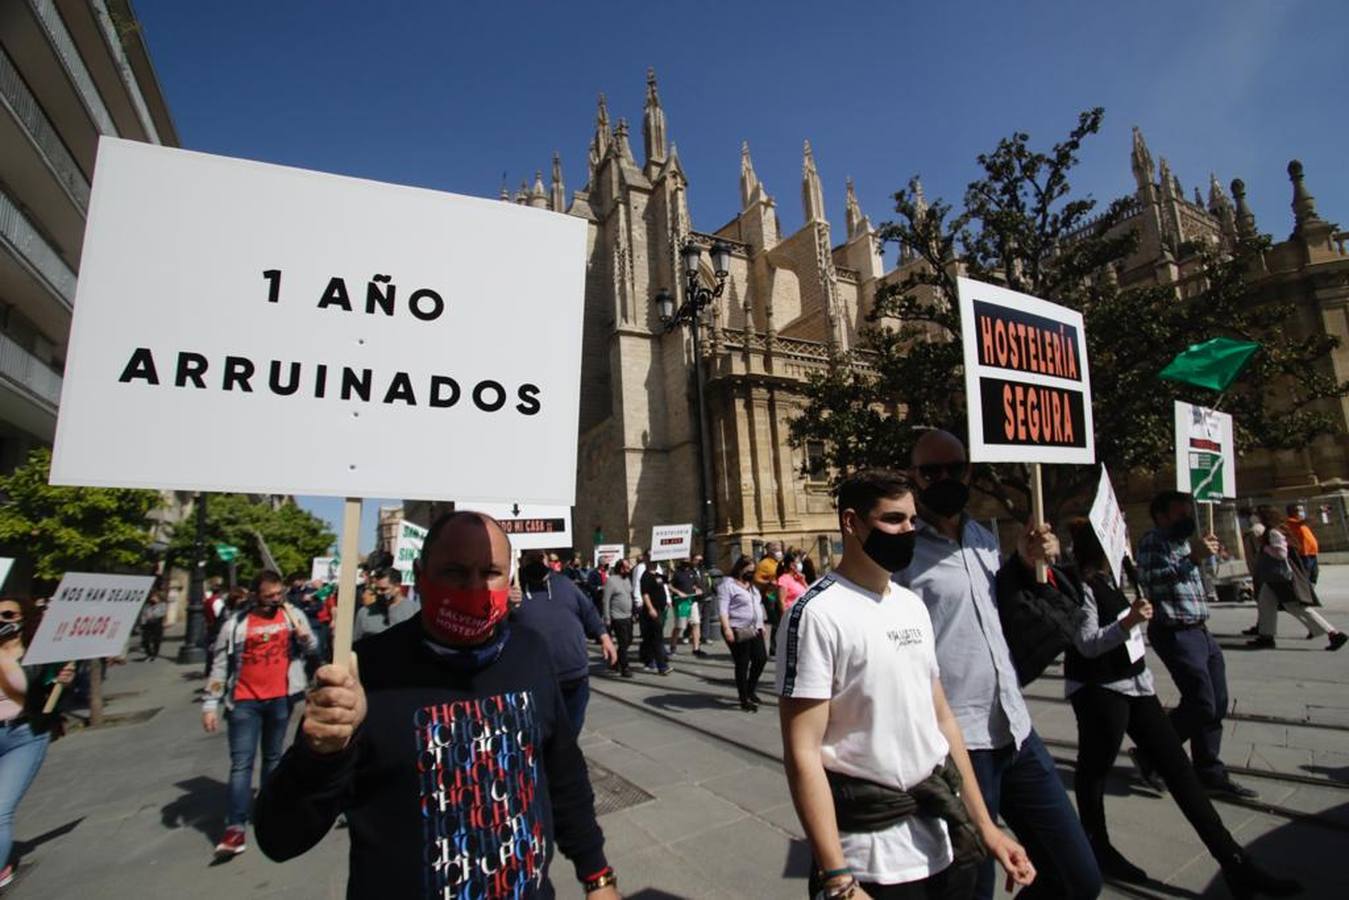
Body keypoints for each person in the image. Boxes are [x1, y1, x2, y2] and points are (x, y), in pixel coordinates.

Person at [254, 511, 618, 899]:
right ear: (421, 574)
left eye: (490, 572)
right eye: (455, 572)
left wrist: (597, 876)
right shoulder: (365, 673)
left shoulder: (529, 652)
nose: (474, 587)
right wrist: (321, 754)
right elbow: (280, 838)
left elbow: (564, 773)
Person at [779, 470, 1035, 899]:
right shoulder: (815, 615)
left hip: (940, 840)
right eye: (894, 519)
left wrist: (987, 828)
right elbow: (802, 752)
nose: (909, 531)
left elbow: (942, 720)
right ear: (851, 523)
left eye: (912, 520)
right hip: (870, 858)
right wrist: (837, 877)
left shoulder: (913, 606)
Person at [895, 430, 1101, 900]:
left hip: (1015, 729)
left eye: (955, 468)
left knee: (1077, 878)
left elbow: (998, 609)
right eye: (931, 471)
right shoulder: (902, 551)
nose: (944, 477)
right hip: (956, 745)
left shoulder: (982, 535)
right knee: (968, 889)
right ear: (914, 477)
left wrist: (1029, 564)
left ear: (969, 471)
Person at [1060, 520, 1301, 897]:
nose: (1125, 538)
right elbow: (1087, 644)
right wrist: (1128, 622)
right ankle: (1096, 847)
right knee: (1094, 770)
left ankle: (1235, 862)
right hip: (1099, 691)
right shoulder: (1080, 586)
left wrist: (1133, 620)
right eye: (1119, 533)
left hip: (1137, 686)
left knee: (1180, 772)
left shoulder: (1116, 578)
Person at [1135, 490, 1256, 800]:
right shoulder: (1153, 542)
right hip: (1174, 630)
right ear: (1161, 516)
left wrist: (1201, 555)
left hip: (1201, 630)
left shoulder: (1186, 543)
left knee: (1217, 701)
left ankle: (1209, 770)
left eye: (1188, 513)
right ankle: (1153, 753)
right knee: (1201, 702)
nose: (1187, 519)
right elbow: (1153, 583)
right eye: (1180, 514)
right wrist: (1192, 559)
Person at [202, 570, 319, 858]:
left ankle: (270, 812)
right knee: (241, 764)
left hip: (280, 698)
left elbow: (313, 646)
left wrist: (305, 638)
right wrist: (210, 702)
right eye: (269, 596)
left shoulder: (292, 616)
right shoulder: (236, 625)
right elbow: (219, 664)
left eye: (279, 594)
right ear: (256, 595)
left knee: (274, 758)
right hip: (243, 701)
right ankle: (236, 826)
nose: (276, 600)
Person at [0, 599, 75, 888]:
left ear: (22, 617)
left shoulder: (40, 656)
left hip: (24, 735)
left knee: (1, 808)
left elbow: (54, 696)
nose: (2, 619)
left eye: (7, 614)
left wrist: (63, 681)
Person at [514, 550, 617, 734]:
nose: (537, 562)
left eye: (541, 557)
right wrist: (504, 604)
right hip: (538, 682)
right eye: (531, 558)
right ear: (522, 561)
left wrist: (604, 636)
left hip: (575, 678)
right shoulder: (514, 590)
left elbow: (589, 611)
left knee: (571, 734)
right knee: (545, 736)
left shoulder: (564, 584)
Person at [1250, 508, 1345, 651]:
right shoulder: (1273, 531)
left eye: (1257, 515)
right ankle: (1266, 636)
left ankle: (1334, 634)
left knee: (1296, 607)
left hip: (1280, 577)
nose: (1254, 518)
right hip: (1273, 577)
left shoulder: (1273, 532)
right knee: (1265, 604)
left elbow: (1281, 554)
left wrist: (1265, 549)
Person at [717, 556, 767, 712]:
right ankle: (744, 698)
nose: (751, 574)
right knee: (742, 663)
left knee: (761, 659)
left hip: (754, 628)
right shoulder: (728, 585)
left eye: (753, 571)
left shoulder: (752, 586)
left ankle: (751, 690)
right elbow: (723, 609)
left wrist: (761, 625)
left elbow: (757, 605)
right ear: (740, 569)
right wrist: (727, 629)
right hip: (737, 629)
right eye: (749, 571)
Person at [353, 568, 419, 641]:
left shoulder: (415, 611)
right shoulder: (363, 613)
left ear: (397, 587)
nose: (378, 592)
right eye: (376, 589)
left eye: (383, 589)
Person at [602, 560, 637, 677]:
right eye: (627, 568)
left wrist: (634, 611)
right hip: (617, 617)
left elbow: (629, 596)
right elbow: (606, 600)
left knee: (629, 640)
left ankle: (615, 660)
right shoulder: (611, 581)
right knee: (623, 642)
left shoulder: (627, 579)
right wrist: (607, 618)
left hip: (628, 616)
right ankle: (625, 667)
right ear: (621, 568)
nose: (629, 570)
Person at [639, 560, 672, 675]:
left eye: (656, 562)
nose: (654, 564)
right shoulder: (646, 576)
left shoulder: (658, 576)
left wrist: (669, 566)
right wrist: (650, 608)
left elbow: (667, 582)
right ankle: (662, 666)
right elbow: (645, 594)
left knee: (651, 638)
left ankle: (648, 659)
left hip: (661, 609)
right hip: (652, 610)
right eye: (652, 562)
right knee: (657, 638)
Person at [669, 560, 705, 657]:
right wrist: (678, 592)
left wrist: (698, 589)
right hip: (681, 602)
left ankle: (696, 648)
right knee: (680, 626)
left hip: (692, 601)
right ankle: (673, 647)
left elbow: (697, 585)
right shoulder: (677, 573)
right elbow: (670, 586)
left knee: (696, 623)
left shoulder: (692, 572)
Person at [754, 542, 784, 655]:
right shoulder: (764, 564)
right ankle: (774, 648)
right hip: (770, 595)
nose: (778, 551)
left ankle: (777, 646)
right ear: (769, 551)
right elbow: (756, 579)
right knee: (776, 621)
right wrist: (768, 582)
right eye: (775, 549)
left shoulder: (781, 562)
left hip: (781, 594)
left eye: (779, 549)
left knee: (781, 621)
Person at [1283, 504, 1320, 585]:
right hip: (1304, 554)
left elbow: (1311, 522)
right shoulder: (1291, 521)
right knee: (1306, 574)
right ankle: (1306, 591)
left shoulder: (1300, 523)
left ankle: (1310, 590)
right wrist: (1318, 511)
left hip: (1311, 552)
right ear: (1291, 512)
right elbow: (1305, 521)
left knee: (1314, 574)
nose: (1301, 513)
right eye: (1298, 510)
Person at [776, 551, 808, 615]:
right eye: (798, 562)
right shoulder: (783, 579)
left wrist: (803, 581)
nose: (800, 564)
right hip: (791, 615)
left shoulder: (798, 578)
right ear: (791, 565)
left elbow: (808, 592)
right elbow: (781, 602)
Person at [139, 588, 167, 660]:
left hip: (157, 624)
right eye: (151, 597)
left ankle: (154, 654)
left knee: (156, 640)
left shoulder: (162, 605)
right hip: (147, 625)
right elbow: (143, 614)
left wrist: (153, 615)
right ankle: (149, 654)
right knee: (145, 640)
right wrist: (142, 623)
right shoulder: (147, 605)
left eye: (154, 597)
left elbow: (162, 613)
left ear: (158, 597)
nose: (152, 598)